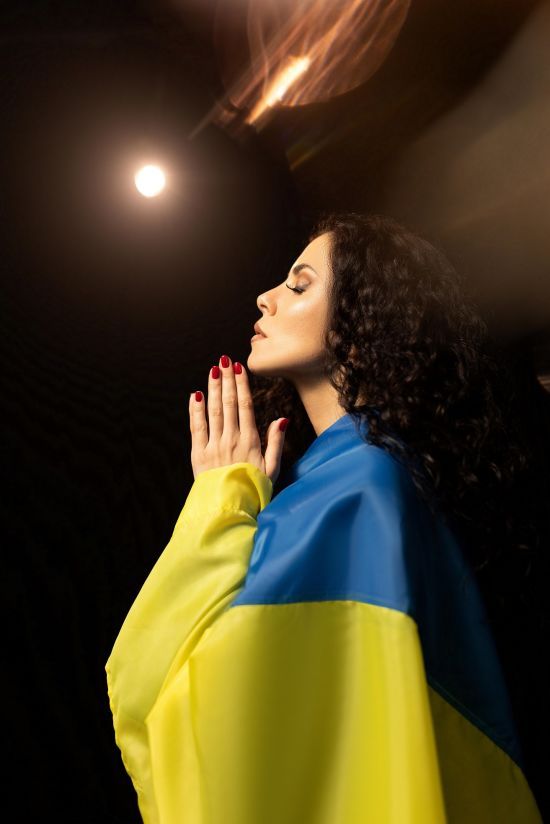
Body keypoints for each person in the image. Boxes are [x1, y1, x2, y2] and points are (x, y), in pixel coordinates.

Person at [105, 212, 544, 823]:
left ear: (362, 324)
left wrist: (218, 499)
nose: (265, 297)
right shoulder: (368, 478)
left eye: (299, 284)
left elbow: (187, 701)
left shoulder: (361, 484)